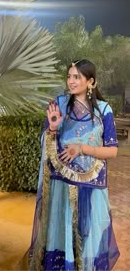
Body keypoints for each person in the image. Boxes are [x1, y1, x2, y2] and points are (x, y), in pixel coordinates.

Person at [28, 59, 120, 271]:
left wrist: (82, 148)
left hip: (91, 186)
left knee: (88, 236)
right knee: (59, 232)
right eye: (69, 76)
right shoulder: (59, 104)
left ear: (91, 82)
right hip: (61, 184)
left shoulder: (103, 110)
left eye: (77, 76)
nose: (71, 81)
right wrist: (52, 128)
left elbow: (112, 150)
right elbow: (46, 142)